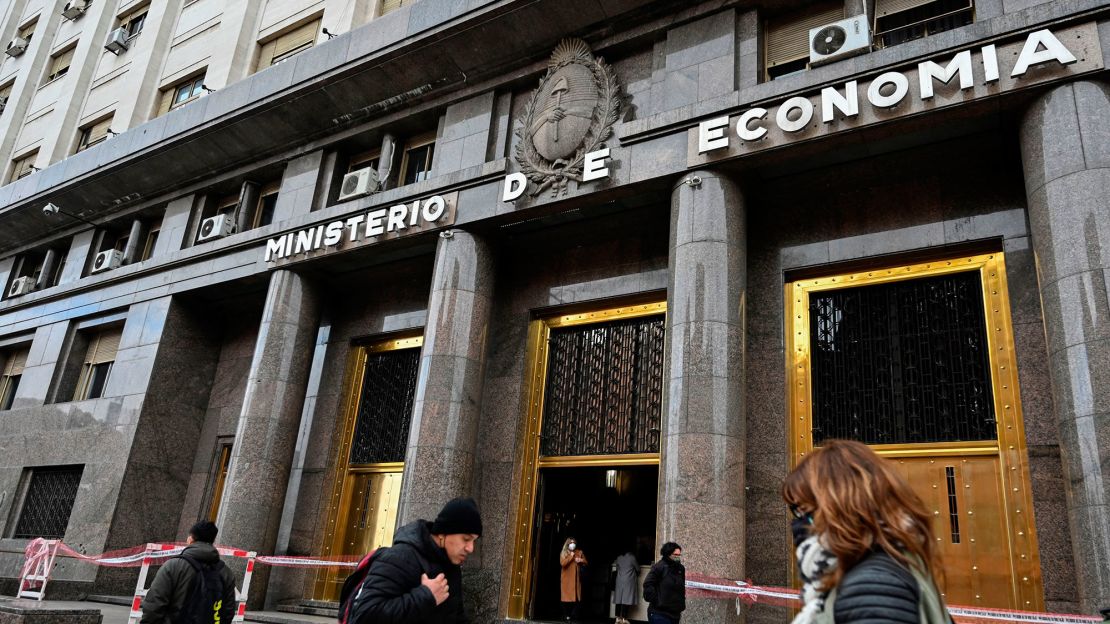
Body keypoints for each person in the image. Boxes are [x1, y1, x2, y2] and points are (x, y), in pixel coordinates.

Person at [782, 439, 954, 624]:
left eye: (804, 511)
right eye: (796, 510)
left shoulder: (871, 586)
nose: (799, 523)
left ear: (840, 507)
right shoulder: (893, 562)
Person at [349, 497, 481, 624]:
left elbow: (455, 617)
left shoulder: (452, 567)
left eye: (474, 541)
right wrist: (425, 597)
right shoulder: (399, 557)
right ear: (443, 533)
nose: (470, 548)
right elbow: (364, 616)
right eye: (466, 539)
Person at [140, 521, 237, 624]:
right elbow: (228, 612)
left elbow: (154, 604)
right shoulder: (226, 572)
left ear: (190, 539)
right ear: (212, 541)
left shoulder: (173, 566)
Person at [642, 542, 684, 624]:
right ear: (668, 554)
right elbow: (648, 585)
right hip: (659, 614)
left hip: (675, 614)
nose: (678, 557)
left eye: (679, 555)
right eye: (675, 554)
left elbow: (681, 587)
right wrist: (658, 601)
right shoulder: (659, 567)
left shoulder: (680, 569)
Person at [558, 537, 588, 621]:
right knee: (565, 600)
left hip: (576, 580)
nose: (573, 544)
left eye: (574, 543)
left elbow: (586, 562)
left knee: (577, 600)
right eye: (571, 543)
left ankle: (572, 616)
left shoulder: (579, 552)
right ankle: (567, 615)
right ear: (567, 544)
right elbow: (563, 563)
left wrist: (581, 560)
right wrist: (571, 557)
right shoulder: (564, 553)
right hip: (566, 580)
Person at [612, 547, 638, 624]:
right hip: (629, 581)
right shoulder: (632, 557)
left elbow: (617, 567)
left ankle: (617, 618)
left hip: (619, 580)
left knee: (619, 599)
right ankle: (624, 618)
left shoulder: (619, 558)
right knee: (626, 599)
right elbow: (638, 569)